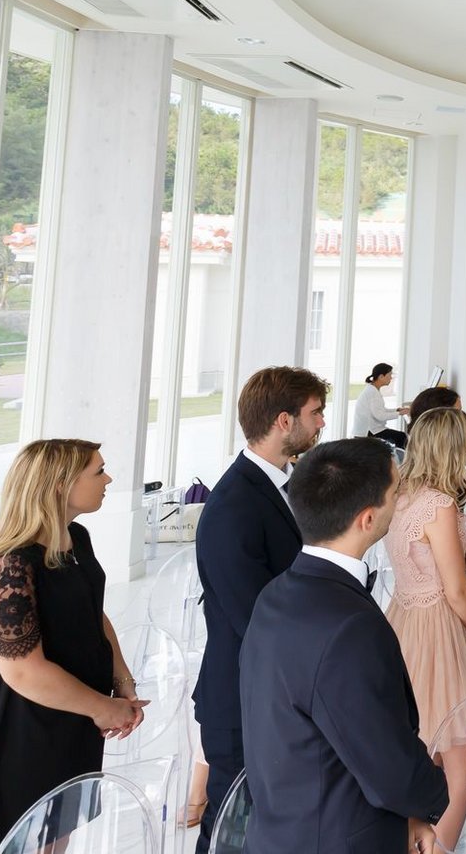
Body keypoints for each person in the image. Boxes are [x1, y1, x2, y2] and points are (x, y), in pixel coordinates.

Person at [0, 440, 148, 854]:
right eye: (98, 472)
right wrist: (103, 709)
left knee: (55, 838)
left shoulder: (75, 538)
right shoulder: (10, 564)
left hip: (73, 718)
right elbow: (22, 670)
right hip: (24, 730)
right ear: (59, 484)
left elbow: (92, 612)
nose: (108, 479)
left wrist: (121, 679)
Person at [239, 439, 451, 854]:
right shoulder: (349, 627)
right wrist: (431, 795)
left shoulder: (274, 595)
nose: (402, 497)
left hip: (281, 829)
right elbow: (388, 766)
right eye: (396, 491)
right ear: (367, 519)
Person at [192, 365, 324, 852]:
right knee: (231, 831)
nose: (322, 423)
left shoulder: (286, 482)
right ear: (284, 421)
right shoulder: (233, 504)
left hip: (276, 693)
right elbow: (256, 618)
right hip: (242, 697)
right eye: (315, 413)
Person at [383, 406, 466, 852]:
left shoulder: (400, 494)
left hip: (402, 620)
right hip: (439, 631)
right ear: (450, 447)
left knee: (421, 750)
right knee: (465, 765)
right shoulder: (440, 505)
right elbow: (458, 591)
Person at [355, 362, 411, 441]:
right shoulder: (372, 392)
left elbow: (381, 410)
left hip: (370, 429)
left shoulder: (372, 389)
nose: (391, 378)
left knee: (401, 436)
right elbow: (380, 416)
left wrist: (397, 410)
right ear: (381, 376)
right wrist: (399, 413)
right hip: (368, 432)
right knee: (402, 437)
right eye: (389, 375)